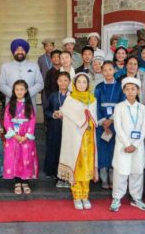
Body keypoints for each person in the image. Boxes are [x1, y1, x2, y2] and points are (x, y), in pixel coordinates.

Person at [58, 72, 98, 210]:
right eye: (79, 82)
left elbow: (94, 119)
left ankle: (85, 195)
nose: (82, 84)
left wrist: (90, 119)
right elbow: (69, 122)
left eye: (84, 82)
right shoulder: (70, 100)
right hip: (75, 140)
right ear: (74, 84)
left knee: (87, 167)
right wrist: (84, 119)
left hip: (88, 140)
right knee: (77, 167)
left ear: (88, 84)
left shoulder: (92, 100)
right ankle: (76, 195)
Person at [109, 77, 145, 212]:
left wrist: (135, 144)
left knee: (137, 171)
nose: (130, 92)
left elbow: (144, 128)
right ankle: (116, 197)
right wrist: (127, 144)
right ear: (124, 91)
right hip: (122, 145)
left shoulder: (142, 108)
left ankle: (137, 198)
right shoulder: (119, 107)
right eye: (128, 89)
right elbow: (118, 127)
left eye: (133, 89)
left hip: (137, 146)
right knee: (120, 171)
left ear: (138, 91)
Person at [3, 80, 38, 195]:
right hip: (14, 136)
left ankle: (25, 181)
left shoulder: (29, 105)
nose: (19, 91)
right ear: (14, 91)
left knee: (25, 158)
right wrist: (14, 134)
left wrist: (27, 135)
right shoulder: (10, 105)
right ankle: (17, 182)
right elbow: (6, 120)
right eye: (17, 89)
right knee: (15, 158)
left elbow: (32, 120)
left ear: (26, 91)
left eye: (22, 89)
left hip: (25, 137)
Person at [94, 61, 125, 189]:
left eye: (110, 69)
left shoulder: (120, 87)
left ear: (114, 71)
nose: (107, 72)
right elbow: (95, 105)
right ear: (101, 71)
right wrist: (102, 121)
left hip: (115, 123)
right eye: (105, 70)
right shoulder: (98, 87)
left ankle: (113, 176)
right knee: (102, 149)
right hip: (101, 124)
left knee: (114, 149)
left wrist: (111, 120)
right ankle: (103, 177)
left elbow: (122, 104)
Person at [0, 39, 44, 107]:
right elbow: (1, 85)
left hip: (29, 104)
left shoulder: (34, 66)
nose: (20, 52)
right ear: (13, 52)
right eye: (17, 50)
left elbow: (40, 83)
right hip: (11, 104)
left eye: (22, 50)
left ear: (26, 52)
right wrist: (14, 94)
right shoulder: (5, 66)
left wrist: (27, 93)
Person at [44, 72, 71, 186]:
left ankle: (68, 174)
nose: (63, 83)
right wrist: (53, 115)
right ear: (57, 82)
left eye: (65, 80)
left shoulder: (74, 95)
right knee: (55, 148)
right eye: (60, 80)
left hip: (70, 127)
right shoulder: (53, 95)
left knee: (67, 150)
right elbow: (46, 111)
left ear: (69, 82)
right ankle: (55, 173)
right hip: (55, 125)